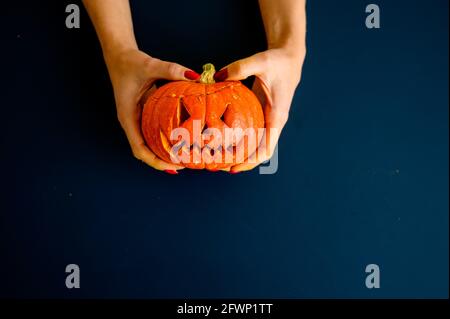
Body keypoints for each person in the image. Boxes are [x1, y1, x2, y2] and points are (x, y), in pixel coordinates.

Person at [83, 0, 306, 174]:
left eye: (223, 116)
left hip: (257, 59)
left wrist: (290, 47)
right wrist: (118, 50)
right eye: (187, 115)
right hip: (128, 87)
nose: (206, 131)